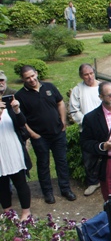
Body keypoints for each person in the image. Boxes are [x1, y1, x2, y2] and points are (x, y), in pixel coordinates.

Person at [15, 66, 75, 204]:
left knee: (62, 162)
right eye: (27, 78)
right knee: (43, 165)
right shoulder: (20, 96)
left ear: (36, 73)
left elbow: (60, 102)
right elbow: (21, 119)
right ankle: (48, 192)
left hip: (58, 133)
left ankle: (66, 189)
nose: (31, 80)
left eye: (32, 76)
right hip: (40, 137)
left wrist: (63, 121)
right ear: (23, 79)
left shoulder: (49, 87)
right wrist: (32, 134)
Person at [69, 64, 102, 196]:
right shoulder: (78, 90)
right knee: (89, 156)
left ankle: (108, 179)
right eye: (86, 75)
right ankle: (93, 182)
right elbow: (74, 110)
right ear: (81, 76)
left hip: (104, 127)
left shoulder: (102, 87)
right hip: (87, 129)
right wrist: (86, 122)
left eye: (91, 73)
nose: (89, 77)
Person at [0, 95, 32, 220]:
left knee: (20, 181)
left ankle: (26, 212)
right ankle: (7, 211)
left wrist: (17, 110)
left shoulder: (9, 105)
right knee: (2, 184)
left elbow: (21, 123)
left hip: (13, 148)